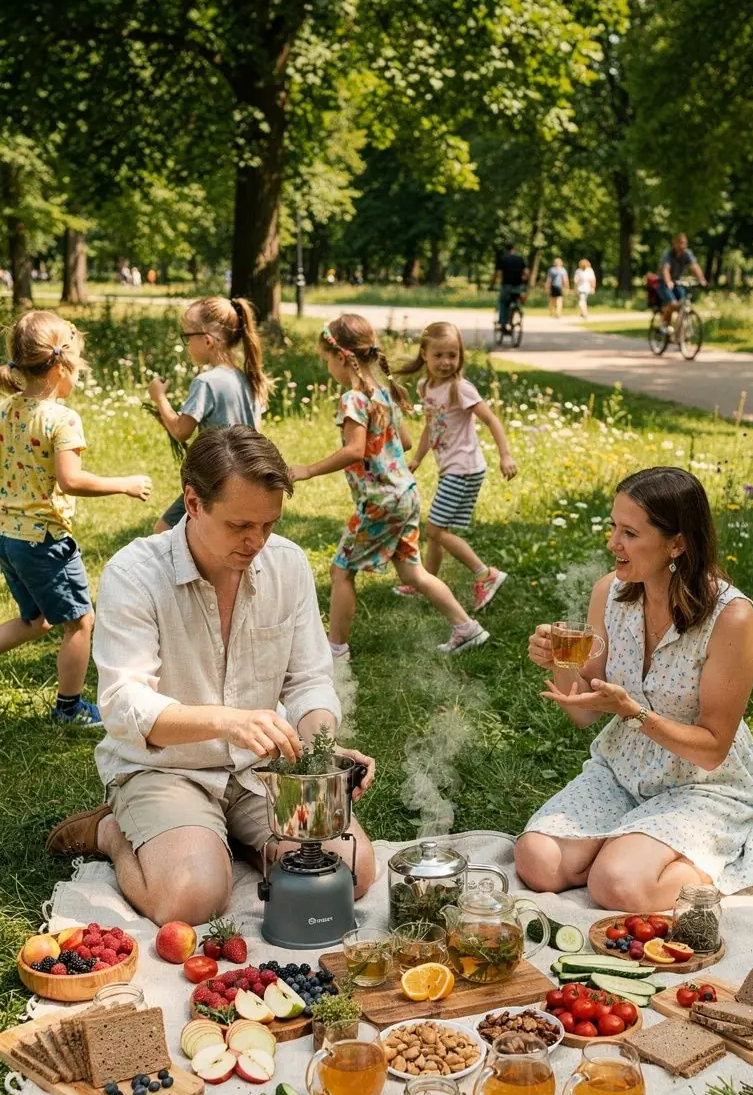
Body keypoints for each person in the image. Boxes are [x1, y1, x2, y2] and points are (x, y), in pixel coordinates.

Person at [45, 427, 377, 925]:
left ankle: (227, 842)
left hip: (259, 771)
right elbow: (124, 705)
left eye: (269, 524)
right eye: (240, 524)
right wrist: (227, 721)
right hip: (163, 768)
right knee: (193, 900)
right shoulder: (135, 573)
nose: (257, 542)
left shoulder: (287, 565)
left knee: (352, 870)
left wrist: (321, 751)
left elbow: (308, 680)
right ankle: (113, 832)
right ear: (193, 503)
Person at [515, 466, 753, 911]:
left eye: (630, 532)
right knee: (537, 861)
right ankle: (635, 837)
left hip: (702, 785)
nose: (613, 543)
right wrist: (559, 663)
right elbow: (583, 712)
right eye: (613, 526)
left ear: (677, 543)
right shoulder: (610, 594)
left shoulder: (731, 619)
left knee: (617, 885)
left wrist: (635, 714)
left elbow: (712, 748)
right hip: (623, 769)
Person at [289, 314, 489, 659]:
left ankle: (335, 650)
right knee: (413, 571)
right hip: (405, 495)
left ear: (342, 357)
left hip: (380, 501)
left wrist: (308, 469)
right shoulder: (384, 393)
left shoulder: (354, 398)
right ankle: (466, 627)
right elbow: (407, 441)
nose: (328, 369)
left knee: (340, 570)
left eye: (326, 361)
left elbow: (354, 450)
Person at [0, 311, 152, 726]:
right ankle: (69, 710)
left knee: (36, 620)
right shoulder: (61, 418)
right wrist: (124, 483)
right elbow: (69, 481)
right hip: (44, 541)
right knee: (81, 623)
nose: (78, 378)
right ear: (59, 366)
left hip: (8, 537)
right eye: (77, 368)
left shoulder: (8, 408)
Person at [393, 321, 517, 611]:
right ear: (424, 353)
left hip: (465, 469)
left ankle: (486, 574)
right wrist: (417, 459)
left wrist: (506, 455)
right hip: (453, 469)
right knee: (440, 528)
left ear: (460, 356)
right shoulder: (425, 387)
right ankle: (427, 581)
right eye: (439, 355)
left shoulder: (461, 389)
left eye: (453, 355)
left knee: (436, 531)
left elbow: (492, 420)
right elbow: (430, 427)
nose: (446, 362)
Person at [148, 295, 268, 533]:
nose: (187, 345)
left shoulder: (206, 382)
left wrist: (159, 397)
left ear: (207, 341)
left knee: (163, 532)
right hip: (247, 478)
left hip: (216, 479)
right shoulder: (247, 378)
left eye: (187, 337)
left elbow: (182, 431)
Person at [658, 233, 707, 326]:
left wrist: (701, 279)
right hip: (664, 283)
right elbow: (665, 269)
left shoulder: (687, 253)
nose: (682, 246)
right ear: (674, 243)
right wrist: (668, 281)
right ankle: (663, 323)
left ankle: (680, 333)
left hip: (677, 282)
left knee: (682, 305)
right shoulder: (668, 254)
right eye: (680, 243)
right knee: (673, 304)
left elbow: (695, 267)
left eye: (684, 243)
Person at [490, 242, 528, 331]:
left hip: (506, 286)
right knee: (516, 300)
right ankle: (518, 311)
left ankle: (503, 324)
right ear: (514, 249)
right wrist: (525, 283)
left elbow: (497, 274)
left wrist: (491, 285)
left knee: (503, 302)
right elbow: (526, 273)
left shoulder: (503, 259)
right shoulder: (520, 259)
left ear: (506, 250)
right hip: (518, 286)